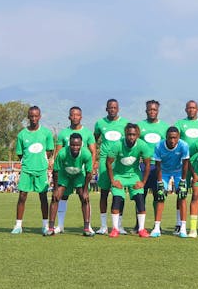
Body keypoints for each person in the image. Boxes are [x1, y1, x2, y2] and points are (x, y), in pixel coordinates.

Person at [11, 106, 54, 235]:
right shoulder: (22, 134)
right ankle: (18, 225)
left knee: (43, 197)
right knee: (22, 197)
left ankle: (45, 225)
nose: (34, 118)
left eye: (36, 116)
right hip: (27, 170)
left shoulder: (46, 133)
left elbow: (50, 150)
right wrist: (29, 160)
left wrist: (41, 160)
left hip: (41, 170)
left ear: (40, 116)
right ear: (28, 117)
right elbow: (20, 153)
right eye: (31, 116)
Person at [53, 106, 96, 234]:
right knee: (63, 197)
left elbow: (93, 152)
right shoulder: (63, 134)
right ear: (69, 117)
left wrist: (91, 168)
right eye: (73, 115)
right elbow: (58, 153)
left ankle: (88, 226)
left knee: (84, 197)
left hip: (81, 173)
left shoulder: (88, 133)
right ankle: (60, 225)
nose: (75, 117)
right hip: (65, 172)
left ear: (81, 117)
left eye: (78, 115)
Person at [106, 123, 152, 238]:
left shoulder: (142, 145)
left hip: (134, 176)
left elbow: (147, 165)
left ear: (137, 135)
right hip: (119, 176)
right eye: (129, 134)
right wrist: (113, 180)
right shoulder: (117, 145)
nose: (131, 137)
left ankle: (141, 229)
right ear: (125, 134)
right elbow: (108, 162)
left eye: (133, 135)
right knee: (117, 200)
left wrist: (143, 182)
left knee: (140, 200)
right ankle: (115, 229)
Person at [44, 133, 94, 236]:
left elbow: (89, 173)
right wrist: (56, 189)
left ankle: (86, 228)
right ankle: (51, 228)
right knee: (55, 198)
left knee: (85, 198)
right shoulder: (62, 153)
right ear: (69, 144)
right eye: (72, 145)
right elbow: (56, 171)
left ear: (81, 144)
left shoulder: (86, 154)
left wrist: (85, 191)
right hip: (64, 174)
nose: (75, 147)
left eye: (77, 145)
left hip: (78, 175)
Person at [175, 100, 198, 236]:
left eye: (193, 108)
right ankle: (179, 223)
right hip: (184, 163)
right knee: (181, 192)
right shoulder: (180, 124)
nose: (191, 110)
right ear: (185, 110)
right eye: (189, 108)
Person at [94, 99, 129, 234]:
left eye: (115, 107)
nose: (112, 109)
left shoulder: (124, 123)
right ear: (106, 109)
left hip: (119, 161)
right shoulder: (100, 123)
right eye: (110, 107)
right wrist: (96, 157)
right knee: (104, 192)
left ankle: (119, 225)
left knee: (119, 193)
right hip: (104, 161)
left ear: (118, 109)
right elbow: (94, 139)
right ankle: (103, 226)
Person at [135, 100, 169, 232]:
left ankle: (157, 224)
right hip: (143, 166)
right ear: (146, 110)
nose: (152, 112)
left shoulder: (164, 127)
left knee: (158, 196)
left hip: (158, 167)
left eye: (154, 110)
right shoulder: (140, 126)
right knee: (140, 196)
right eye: (150, 110)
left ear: (158, 111)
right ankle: (138, 225)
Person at [150, 126, 190, 238]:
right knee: (160, 196)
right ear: (166, 137)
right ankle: (157, 227)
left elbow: (186, 163)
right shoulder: (159, 146)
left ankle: (183, 227)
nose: (172, 141)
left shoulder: (184, 145)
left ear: (178, 138)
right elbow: (158, 166)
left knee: (182, 196)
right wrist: (160, 183)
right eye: (170, 138)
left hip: (178, 171)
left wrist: (182, 180)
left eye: (175, 138)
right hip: (164, 172)